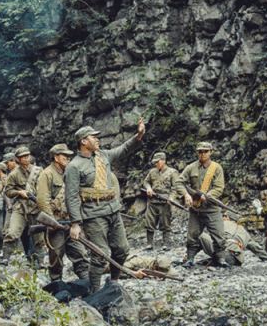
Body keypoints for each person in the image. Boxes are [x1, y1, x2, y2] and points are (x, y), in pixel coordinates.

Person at [65, 118, 146, 293]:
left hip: (113, 211)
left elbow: (124, 149)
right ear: (83, 142)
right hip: (93, 215)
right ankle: (94, 292)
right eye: (93, 137)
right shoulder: (73, 166)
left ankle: (113, 282)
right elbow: (71, 197)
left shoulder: (103, 156)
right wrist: (75, 224)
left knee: (122, 249)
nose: (97, 139)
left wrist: (138, 135)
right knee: (99, 255)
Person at [37, 144, 89, 281]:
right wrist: (51, 222)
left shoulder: (71, 173)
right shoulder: (47, 174)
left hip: (72, 222)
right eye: (64, 156)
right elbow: (43, 200)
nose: (68, 158)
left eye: (69, 156)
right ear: (56, 157)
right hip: (57, 221)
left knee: (80, 253)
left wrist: (77, 220)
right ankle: (56, 283)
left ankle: (89, 285)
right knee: (56, 256)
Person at [175, 142, 228, 268]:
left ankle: (220, 259)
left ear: (210, 152)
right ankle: (190, 258)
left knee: (219, 235)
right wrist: (186, 195)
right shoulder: (191, 167)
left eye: (205, 151)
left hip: (211, 208)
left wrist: (208, 195)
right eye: (200, 151)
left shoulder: (217, 168)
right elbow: (179, 183)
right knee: (192, 236)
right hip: (196, 209)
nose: (203, 154)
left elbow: (219, 187)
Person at [2, 147, 46, 266]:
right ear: (17, 159)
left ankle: (41, 262)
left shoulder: (39, 171)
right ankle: (5, 258)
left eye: (28, 155)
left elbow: (45, 188)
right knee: (12, 232)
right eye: (23, 156)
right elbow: (8, 192)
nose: (27, 158)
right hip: (20, 207)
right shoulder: (14, 174)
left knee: (38, 238)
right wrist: (19, 193)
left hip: (35, 207)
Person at [199, 213, 267, 265]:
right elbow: (254, 246)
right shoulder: (243, 230)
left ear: (226, 217)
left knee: (201, 235)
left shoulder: (223, 223)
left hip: (223, 254)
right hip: (236, 259)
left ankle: (189, 258)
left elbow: (213, 238)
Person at [142, 152, 178, 251]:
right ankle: (149, 244)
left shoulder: (172, 172)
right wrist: (149, 188)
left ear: (164, 161)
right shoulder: (152, 172)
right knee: (149, 222)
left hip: (165, 202)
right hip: (152, 201)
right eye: (155, 162)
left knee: (165, 223)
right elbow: (146, 182)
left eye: (157, 162)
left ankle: (166, 244)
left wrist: (172, 198)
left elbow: (176, 188)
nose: (156, 164)